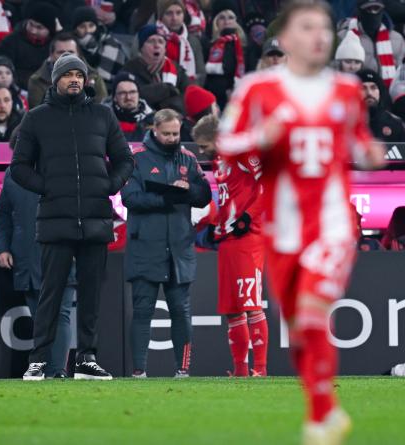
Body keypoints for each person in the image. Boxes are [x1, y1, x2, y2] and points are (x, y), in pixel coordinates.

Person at [217, 1, 385, 442]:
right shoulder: (256, 89)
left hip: (330, 225)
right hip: (282, 230)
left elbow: (361, 141)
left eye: (324, 28)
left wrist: (370, 154)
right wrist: (261, 137)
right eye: (307, 27)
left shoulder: (346, 90)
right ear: (286, 38)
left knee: (313, 312)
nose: (318, 36)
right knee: (298, 332)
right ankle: (326, 410)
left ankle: (320, 420)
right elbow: (227, 143)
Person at [11, 53, 133, 380]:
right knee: (51, 294)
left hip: (96, 219)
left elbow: (125, 159)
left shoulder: (103, 116)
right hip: (55, 220)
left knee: (91, 296)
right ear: (56, 81)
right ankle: (38, 360)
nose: (75, 80)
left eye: (80, 74)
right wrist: (47, 187)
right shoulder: (36, 119)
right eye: (68, 75)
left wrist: (109, 185)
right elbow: (19, 168)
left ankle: (86, 360)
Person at [121, 109, 211, 378]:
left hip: (179, 250)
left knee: (181, 313)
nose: (173, 138)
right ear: (154, 130)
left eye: (176, 133)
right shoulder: (136, 159)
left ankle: (183, 370)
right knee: (143, 312)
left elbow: (204, 195)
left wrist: (187, 191)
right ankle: (139, 372)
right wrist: (166, 198)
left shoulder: (189, 158)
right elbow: (130, 198)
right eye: (167, 133)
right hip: (145, 248)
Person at [192, 114, 268, 377]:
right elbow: (229, 197)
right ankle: (240, 371)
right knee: (232, 308)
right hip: (227, 240)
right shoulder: (220, 160)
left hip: (248, 237)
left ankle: (260, 370)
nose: (202, 151)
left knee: (251, 304)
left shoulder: (245, 152)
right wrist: (216, 224)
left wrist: (249, 217)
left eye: (203, 145)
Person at [0, 156, 75, 379]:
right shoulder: (12, 174)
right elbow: (3, 213)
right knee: (40, 317)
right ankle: (47, 369)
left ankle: (57, 372)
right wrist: (2, 248)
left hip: (61, 252)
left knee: (61, 314)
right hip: (26, 257)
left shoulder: (64, 168)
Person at [27, 32, 108, 110]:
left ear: (79, 55)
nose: (66, 56)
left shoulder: (94, 77)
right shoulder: (37, 81)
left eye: (71, 52)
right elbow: (37, 117)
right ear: (51, 55)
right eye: (60, 52)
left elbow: (101, 113)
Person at [123, 24, 190, 113]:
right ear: (141, 48)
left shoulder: (176, 69)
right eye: (151, 41)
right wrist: (166, 89)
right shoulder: (130, 69)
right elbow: (134, 97)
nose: (157, 45)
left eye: (161, 42)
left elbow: (188, 95)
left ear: (165, 48)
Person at [338, 0, 405, 88]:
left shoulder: (397, 39)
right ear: (360, 11)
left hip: (388, 96)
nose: (373, 13)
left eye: (376, 8)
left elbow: (401, 74)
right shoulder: (343, 37)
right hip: (354, 92)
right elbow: (335, 70)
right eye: (368, 9)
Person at [0, 2, 58, 90]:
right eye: (31, 24)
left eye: (39, 27)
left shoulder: (56, 45)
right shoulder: (10, 42)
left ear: (49, 30)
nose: (33, 31)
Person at [71, 6, 128, 88]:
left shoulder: (111, 44)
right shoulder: (70, 46)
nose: (87, 30)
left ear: (96, 26)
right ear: (75, 29)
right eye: (82, 26)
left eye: (91, 26)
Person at [204, 6, 247, 109]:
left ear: (236, 21)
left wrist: (234, 90)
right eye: (222, 17)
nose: (227, 21)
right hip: (216, 97)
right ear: (216, 22)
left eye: (231, 17)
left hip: (241, 95)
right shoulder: (208, 46)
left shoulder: (246, 47)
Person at [155, 0, 206, 85]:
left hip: (189, 90)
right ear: (161, 16)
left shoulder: (193, 41)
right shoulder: (152, 38)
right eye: (169, 13)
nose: (174, 18)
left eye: (178, 13)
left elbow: (201, 73)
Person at [356, 68, 405, 142]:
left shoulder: (395, 123)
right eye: (363, 88)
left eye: (373, 88)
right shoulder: (345, 122)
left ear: (379, 91)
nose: (369, 93)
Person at [107, 71, 154, 142]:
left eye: (132, 92)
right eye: (122, 93)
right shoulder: (103, 119)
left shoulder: (153, 120)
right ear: (114, 97)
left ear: (138, 94)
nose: (128, 97)